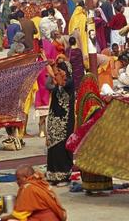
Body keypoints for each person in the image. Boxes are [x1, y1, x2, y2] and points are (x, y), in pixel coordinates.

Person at [0, 165, 66, 221]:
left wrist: (0, 219)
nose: (16, 182)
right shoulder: (41, 183)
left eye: (18, 179)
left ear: (25, 177)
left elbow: (19, 215)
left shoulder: (28, 188)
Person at [46, 57, 75, 186]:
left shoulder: (69, 82)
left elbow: (61, 83)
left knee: (62, 146)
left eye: (61, 70)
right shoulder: (56, 82)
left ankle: (63, 176)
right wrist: (51, 69)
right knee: (53, 146)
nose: (59, 72)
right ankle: (53, 175)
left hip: (64, 121)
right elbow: (48, 86)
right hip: (54, 119)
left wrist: (53, 69)